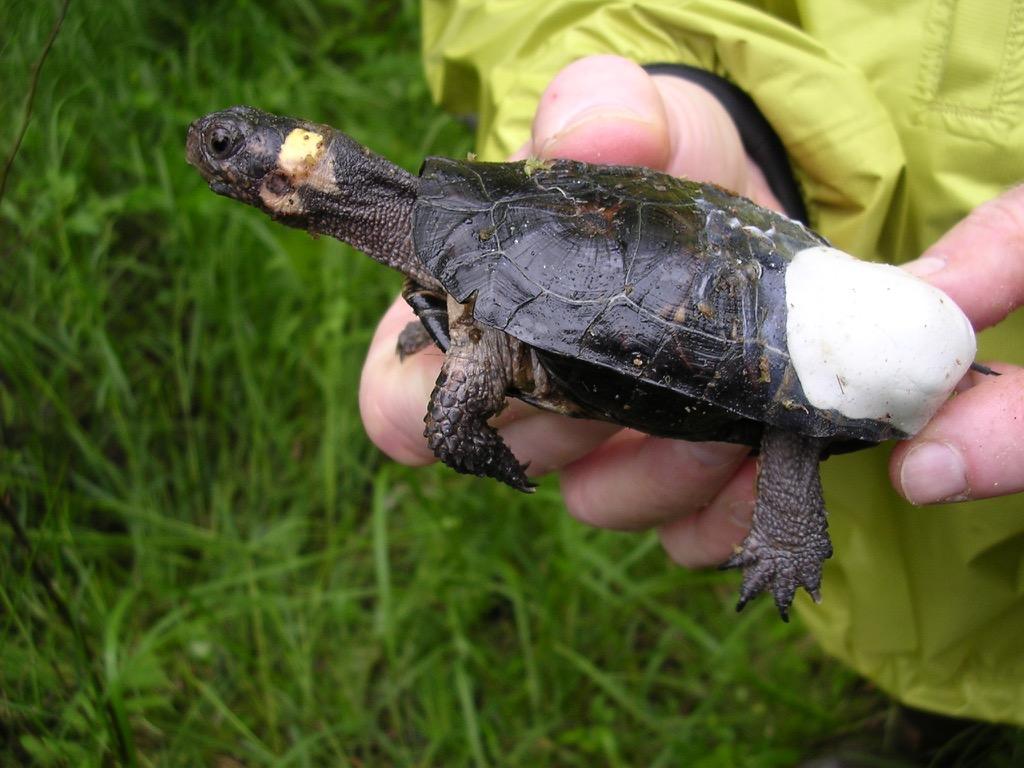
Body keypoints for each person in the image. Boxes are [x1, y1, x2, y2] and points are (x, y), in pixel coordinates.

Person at [359, 0, 1024, 732]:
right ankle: (927, 714)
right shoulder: (461, 253)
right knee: (809, 455)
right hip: (797, 296)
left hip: (784, 346)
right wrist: (718, 107)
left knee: (785, 418)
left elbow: (787, 412)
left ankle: (911, 678)